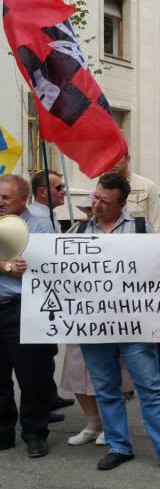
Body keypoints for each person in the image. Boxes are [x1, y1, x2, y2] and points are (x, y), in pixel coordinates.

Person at [77, 173, 160, 474]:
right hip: (95, 325)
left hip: (134, 324)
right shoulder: (79, 230)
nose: (96, 204)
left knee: (150, 387)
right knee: (106, 389)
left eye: (104, 201)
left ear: (122, 203)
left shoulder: (141, 228)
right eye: (95, 197)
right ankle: (118, 446)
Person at [107, 153, 160, 406]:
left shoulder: (146, 186)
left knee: (157, 333)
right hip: (114, 274)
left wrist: (159, 262)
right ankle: (125, 386)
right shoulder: (101, 186)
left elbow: (155, 225)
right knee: (116, 333)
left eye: (118, 157)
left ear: (129, 158)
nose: (113, 161)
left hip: (144, 270)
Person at [0, 175, 56, 459]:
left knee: (33, 376)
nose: (0, 202)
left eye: (6, 197)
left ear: (24, 199)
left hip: (24, 309)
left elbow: (51, 266)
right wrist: (6, 265)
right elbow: (10, 265)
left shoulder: (40, 227)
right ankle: (3, 432)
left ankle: (35, 433)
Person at [27, 170, 75, 420]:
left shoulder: (49, 216)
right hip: (40, 292)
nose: (63, 191)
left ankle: (49, 395)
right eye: (59, 188)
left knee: (48, 350)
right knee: (40, 352)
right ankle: (41, 402)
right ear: (43, 192)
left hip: (49, 289)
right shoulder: (37, 219)